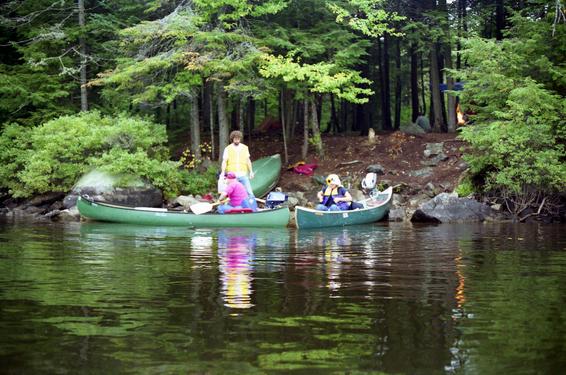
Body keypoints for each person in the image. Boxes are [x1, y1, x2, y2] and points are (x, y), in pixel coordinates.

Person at [220, 130, 255, 199]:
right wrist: (222, 172)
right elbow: (224, 161)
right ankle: (231, 207)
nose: (237, 140)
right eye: (235, 139)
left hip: (243, 174)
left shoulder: (245, 148)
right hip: (232, 176)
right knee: (231, 194)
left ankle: (252, 206)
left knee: (249, 192)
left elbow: (248, 160)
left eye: (238, 138)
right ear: (232, 139)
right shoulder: (228, 149)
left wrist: (251, 171)